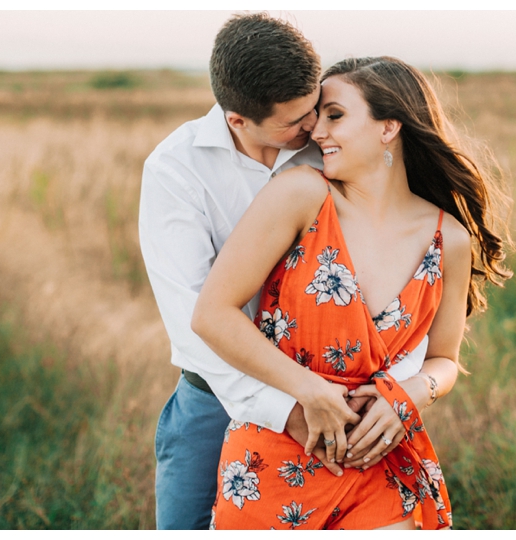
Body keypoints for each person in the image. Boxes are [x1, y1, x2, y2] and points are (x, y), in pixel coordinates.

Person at [192, 56, 512, 530]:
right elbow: (212, 314)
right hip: (277, 451)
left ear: (389, 127)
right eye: (317, 116)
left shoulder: (449, 240)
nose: (316, 132)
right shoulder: (301, 194)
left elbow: (444, 361)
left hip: (378, 453)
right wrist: (309, 391)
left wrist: (409, 396)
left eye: (334, 115)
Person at [138, 14, 426, 530]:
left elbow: (401, 264)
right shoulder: (176, 171)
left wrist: (393, 391)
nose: (313, 128)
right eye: (295, 122)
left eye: (315, 109)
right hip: (218, 397)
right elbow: (194, 318)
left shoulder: (333, 149)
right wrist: (289, 406)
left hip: (340, 400)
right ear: (238, 121)